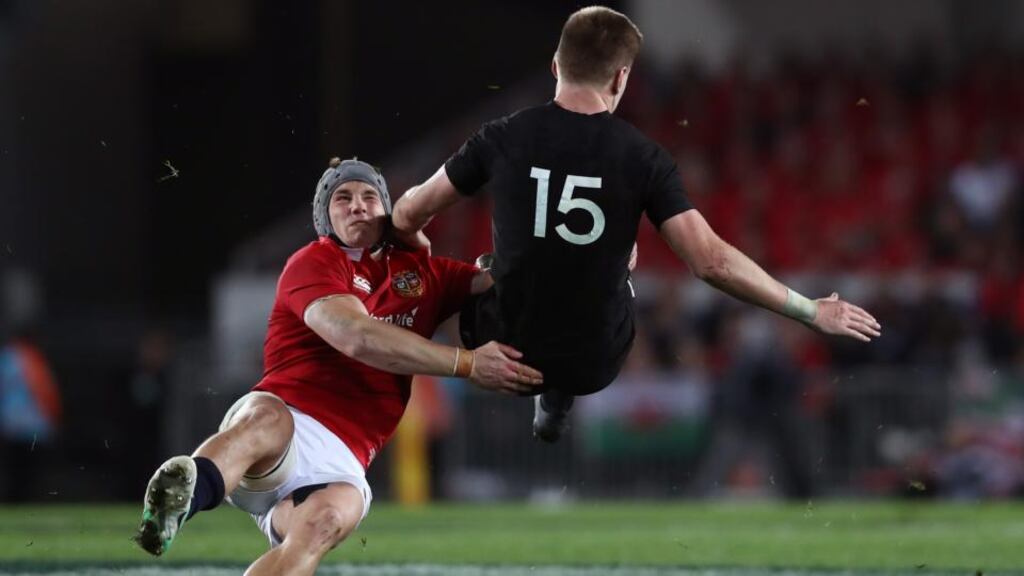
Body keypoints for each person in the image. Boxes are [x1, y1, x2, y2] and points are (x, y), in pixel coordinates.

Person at [392, 6, 881, 443]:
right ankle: (560, 390)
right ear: (621, 78)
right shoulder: (645, 158)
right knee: (621, 256)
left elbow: (410, 211)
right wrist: (809, 311)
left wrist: (415, 247)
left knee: (483, 267)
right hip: (593, 359)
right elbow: (710, 263)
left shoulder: (501, 136)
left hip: (499, 344)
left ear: (556, 66)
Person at [133, 158, 542, 575]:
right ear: (323, 215)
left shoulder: (425, 276)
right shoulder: (314, 261)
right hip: (286, 420)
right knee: (266, 421)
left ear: (387, 210)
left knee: (322, 525)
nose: (357, 205)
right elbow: (357, 336)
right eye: (342, 198)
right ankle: (185, 492)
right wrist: (469, 363)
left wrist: (573, 269)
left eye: (369, 196)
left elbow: (506, 283)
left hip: (344, 459)